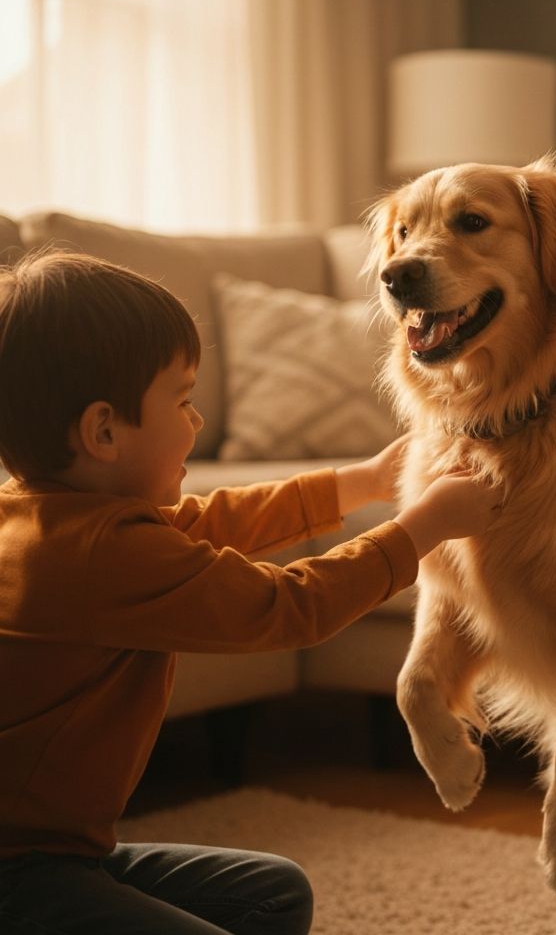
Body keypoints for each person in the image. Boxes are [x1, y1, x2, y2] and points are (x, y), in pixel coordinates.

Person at [0, 249, 503, 934]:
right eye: (181, 400)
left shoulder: (46, 516)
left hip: (62, 856)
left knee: (270, 893)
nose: (196, 421)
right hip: (19, 877)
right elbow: (289, 606)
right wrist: (421, 526)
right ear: (104, 431)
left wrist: (360, 482)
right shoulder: (96, 555)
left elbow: (212, 520)